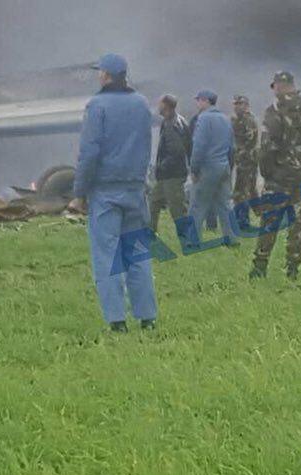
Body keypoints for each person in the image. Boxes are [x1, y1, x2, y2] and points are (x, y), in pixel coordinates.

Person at [72, 54, 157, 332]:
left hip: (106, 190)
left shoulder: (97, 106)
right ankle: (147, 318)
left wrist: (80, 191)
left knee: (107, 256)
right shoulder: (142, 103)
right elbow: (146, 144)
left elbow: (89, 152)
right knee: (138, 253)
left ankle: (117, 321)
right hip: (135, 188)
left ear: (106, 75)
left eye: (100, 72)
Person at [250, 71, 301, 281]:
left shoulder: (274, 110)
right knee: (297, 223)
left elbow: (267, 146)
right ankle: (293, 268)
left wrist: (266, 172)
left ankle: (260, 266)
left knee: (270, 221)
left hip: (280, 176)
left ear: (279, 86)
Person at [188, 89, 237, 246]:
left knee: (197, 204)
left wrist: (194, 169)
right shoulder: (225, 119)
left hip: (208, 167)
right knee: (224, 205)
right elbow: (232, 147)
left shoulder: (204, 119)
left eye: (198, 100)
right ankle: (231, 238)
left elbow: (199, 146)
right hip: (224, 166)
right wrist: (229, 166)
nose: (197, 103)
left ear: (205, 101)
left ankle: (192, 240)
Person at [150, 94, 190, 234]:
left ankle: (188, 238)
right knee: (153, 201)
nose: (158, 106)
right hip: (166, 175)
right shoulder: (168, 122)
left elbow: (177, 151)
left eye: (160, 103)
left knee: (177, 208)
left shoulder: (173, 125)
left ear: (166, 106)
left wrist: (162, 166)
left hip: (173, 174)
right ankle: (150, 233)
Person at [231, 95, 260, 231]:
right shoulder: (237, 120)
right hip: (242, 161)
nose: (237, 106)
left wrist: (237, 153)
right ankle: (259, 215)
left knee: (243, 192)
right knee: (246, 191)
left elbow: (249, 140)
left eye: (240, 104)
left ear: (246, 105)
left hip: (248, 161)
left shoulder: (248, 120)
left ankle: (243, 222)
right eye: (235, 104)